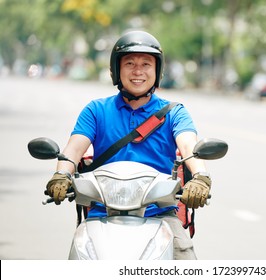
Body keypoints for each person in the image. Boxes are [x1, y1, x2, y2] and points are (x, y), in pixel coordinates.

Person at [45, 30, 212, 260]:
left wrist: (201, 177)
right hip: (102, 213)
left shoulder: (175, 113)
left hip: (159, 213)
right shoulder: (96, 110)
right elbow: (73, 150)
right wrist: (61, 175)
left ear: (157, 71)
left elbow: (189, 147)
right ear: (116, 69)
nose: (138, 71)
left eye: (146, 64)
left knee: (186, 259)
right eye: (130, 63)